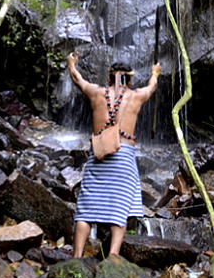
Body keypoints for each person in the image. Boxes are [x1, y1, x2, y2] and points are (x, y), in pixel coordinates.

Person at [66, 52, 161, 257]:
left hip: (99, 154)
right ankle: (113, 256)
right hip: (124, 156)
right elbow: (152, 87)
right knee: (120, 206)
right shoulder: (136, 96)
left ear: (109, 78)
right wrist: (155, 73)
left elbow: (77, 79)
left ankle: (76, 256)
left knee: (86, 207)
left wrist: (71, 64)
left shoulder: (95, 92)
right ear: (131, 79)